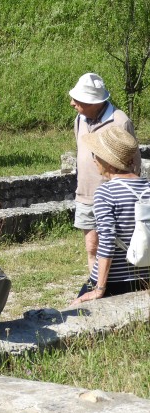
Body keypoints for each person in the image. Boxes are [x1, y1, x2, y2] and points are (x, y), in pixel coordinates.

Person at [70, 73, 140, 273]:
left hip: (114, 197)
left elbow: (133, 163)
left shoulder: (120, 121)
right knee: (92, 248)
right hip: (85, 195)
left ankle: (120, 286)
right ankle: (96, 286)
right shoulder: (80, 119)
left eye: (77, 99)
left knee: (116, 249)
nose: (72, 103)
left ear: (93, 103)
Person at [71, 127, 150, 305]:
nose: (93, 159)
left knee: (75, 311)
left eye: (95, 155)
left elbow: (107, 240)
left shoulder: (106, 193)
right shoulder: (148, 187)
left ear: (108, 162)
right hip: (145, 275)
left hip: (115, 280)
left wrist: (99, 288)